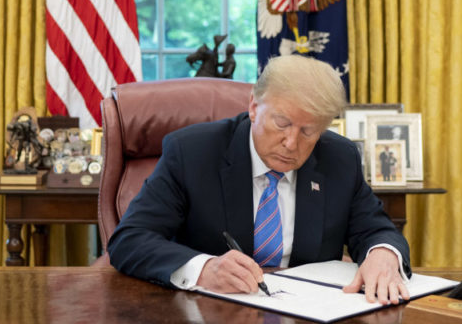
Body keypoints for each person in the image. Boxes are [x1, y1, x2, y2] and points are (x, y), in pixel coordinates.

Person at [108, 55, 412, 305]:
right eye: (282, 123)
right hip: (211, 310)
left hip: (310, 311)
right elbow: (130, 239)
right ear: (254, 106)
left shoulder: (339, 159)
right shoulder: (193, 153)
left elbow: (375, 229)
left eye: (308, 131)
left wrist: (383, 254)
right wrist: (204, 268)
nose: (291, 143)